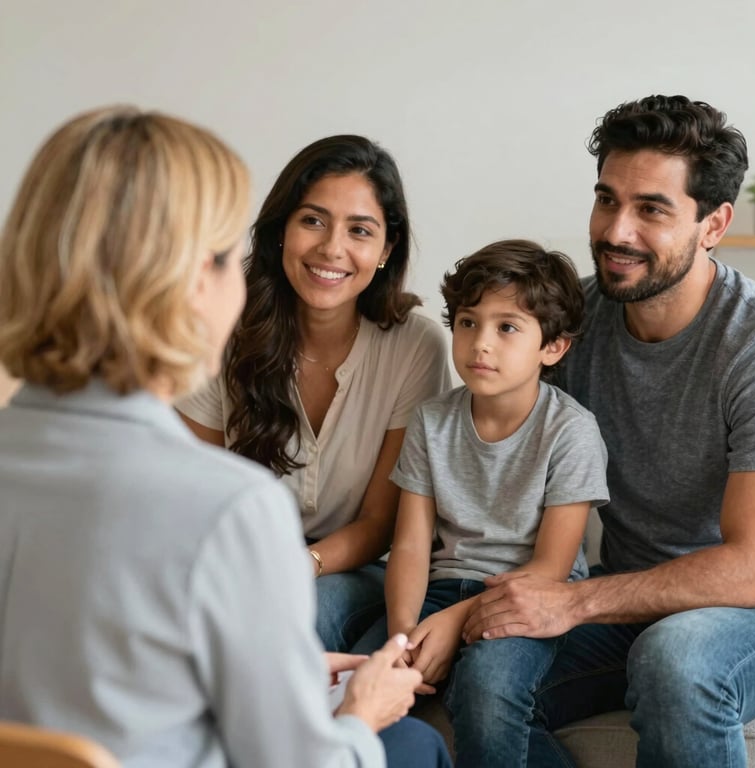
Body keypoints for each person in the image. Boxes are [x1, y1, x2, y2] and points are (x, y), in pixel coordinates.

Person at [0, 106, 451, 768]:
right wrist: (362, 714)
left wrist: (271, 664)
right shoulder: (227, 509)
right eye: (220, 258)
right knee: (412, 746)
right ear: (180, 287)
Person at [462, 94, 755, 768]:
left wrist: (574, 602)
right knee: (486, 682)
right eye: (607, 200)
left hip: (751, 608)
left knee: (677, 661)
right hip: (628, 589)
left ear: (714, 224)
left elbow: (753, 567)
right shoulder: (572, 321)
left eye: (651, 209)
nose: (616, 231)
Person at [177, 134, 451, 652]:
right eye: (313, 220)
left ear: (386, 249)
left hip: (352, 566)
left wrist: (304, 564)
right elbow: (195, 494)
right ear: (281, 229)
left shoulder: (416, 345)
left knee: (303, 609)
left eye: (360, 230)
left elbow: (380, 521)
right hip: (233, 559)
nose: (332, 248)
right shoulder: (220, 326)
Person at [353, 240, 609, 767]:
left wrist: (453, 626)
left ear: (554, 346)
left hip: (530, 604)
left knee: (488, 691)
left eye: (507, 327)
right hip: (438, 591)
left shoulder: (571, 432)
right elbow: (410, 544)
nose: (480, 344)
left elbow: (549, 570)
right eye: (468, 323)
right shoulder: (431, 420)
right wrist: (403, 637)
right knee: (363, 685)